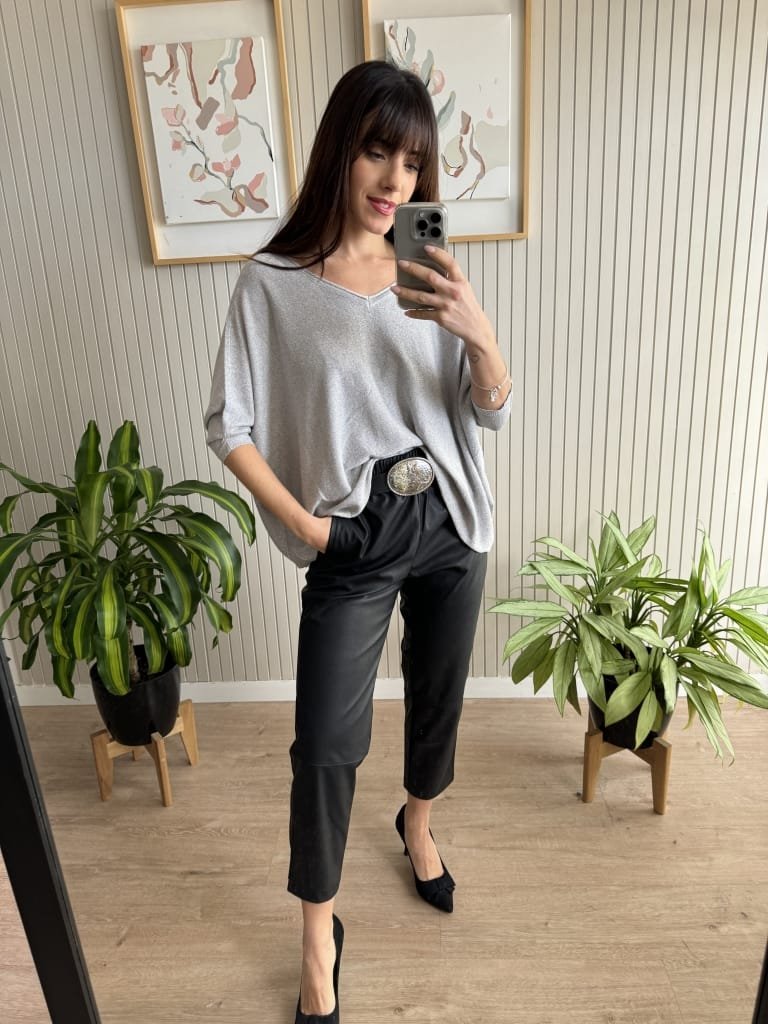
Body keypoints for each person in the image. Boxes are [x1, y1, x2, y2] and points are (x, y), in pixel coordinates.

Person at [205, 59, 511, 1024]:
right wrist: (305, 525)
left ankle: (418, 823)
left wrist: (479, 335)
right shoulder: (275, 283)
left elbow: (488, 409)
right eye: (379, 152)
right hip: (355, 528)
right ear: (342, 148)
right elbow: (228, 423)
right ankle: (316, 937)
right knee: (326, 745)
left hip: (449, 515)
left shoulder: (428, 266)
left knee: (437, 696)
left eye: (413, 163)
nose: (395, 181)